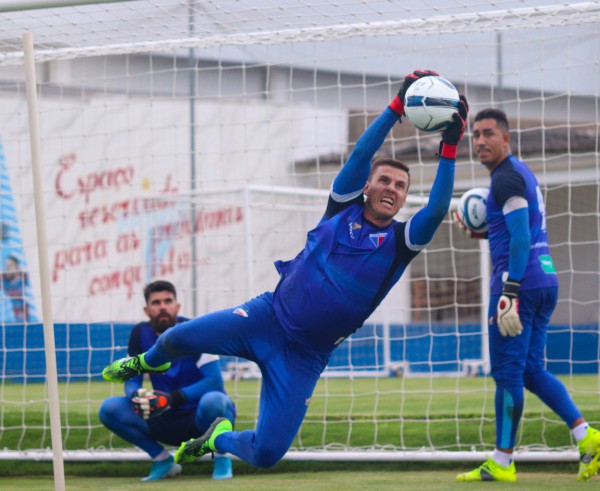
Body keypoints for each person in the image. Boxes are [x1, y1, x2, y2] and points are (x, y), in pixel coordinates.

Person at [102, 71, 469, 470]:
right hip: (265, 318)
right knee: (175, 338)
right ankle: (147, 362)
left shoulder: (401, 243)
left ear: (402, 199)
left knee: (265, 454)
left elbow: (435, 209)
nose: (392, 189)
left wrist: (449, 148)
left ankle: (216, 439)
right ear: (368, 186)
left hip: (304, 357)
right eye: (385, 180)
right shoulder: (342, 207)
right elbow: (361, 156)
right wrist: (395, 108)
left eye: (400, 186)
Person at [453, 108, 600, 483]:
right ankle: (586, 435)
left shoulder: (505, 178)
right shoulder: (520, 172)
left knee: (507, 375)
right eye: (475, 135)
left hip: (518, 285)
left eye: (488, 133)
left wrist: (510, 290)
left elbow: (521, 235)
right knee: (531, 371)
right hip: (544, 279)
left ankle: (502, 462)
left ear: (506, 138)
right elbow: (517, 230)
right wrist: (486, 233)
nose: (480, 142)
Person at [99, 280, 236, 481]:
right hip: (163, 418)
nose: (162, 306)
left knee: (215, 401)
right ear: (147, 310)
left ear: (177, 307)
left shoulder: (195, 331)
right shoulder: (139, 334)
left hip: (200, 420)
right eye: (156, 302)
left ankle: (223, 458)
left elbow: (214, 382)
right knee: (110, 409)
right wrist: (136, 395)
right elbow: (132, 381)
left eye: (167, 301)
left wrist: (171, 398)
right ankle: (162, 460)